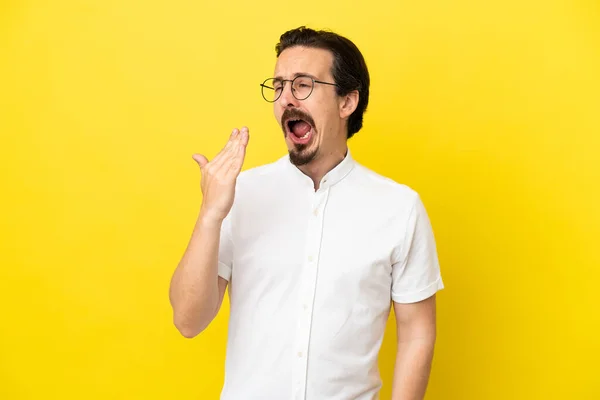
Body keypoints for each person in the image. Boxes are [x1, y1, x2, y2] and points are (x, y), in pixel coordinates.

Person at [169, 26, 444, 400]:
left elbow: (417, 332)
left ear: (347, 102)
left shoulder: (399, 207)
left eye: (302, 85)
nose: (286, 99)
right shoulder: (241, 195)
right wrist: (210, 215)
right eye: (279, 86)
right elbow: (188, 320)